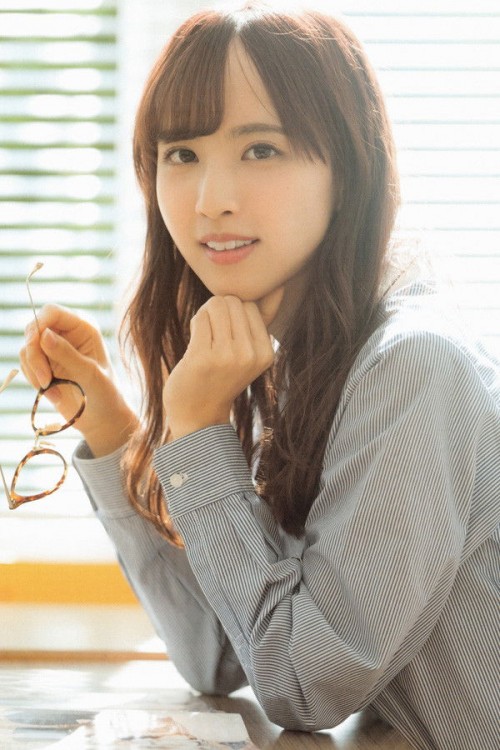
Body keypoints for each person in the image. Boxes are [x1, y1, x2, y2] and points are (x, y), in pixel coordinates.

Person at [20, 3, 499, 749]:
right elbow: (218, 651)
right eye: (182, 154)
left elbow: (303, 684)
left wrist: (200, 426)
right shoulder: (299, 358)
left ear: (348, 167)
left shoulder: (413, 365)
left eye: (261, 149)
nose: (211, 200)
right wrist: (114, 427)